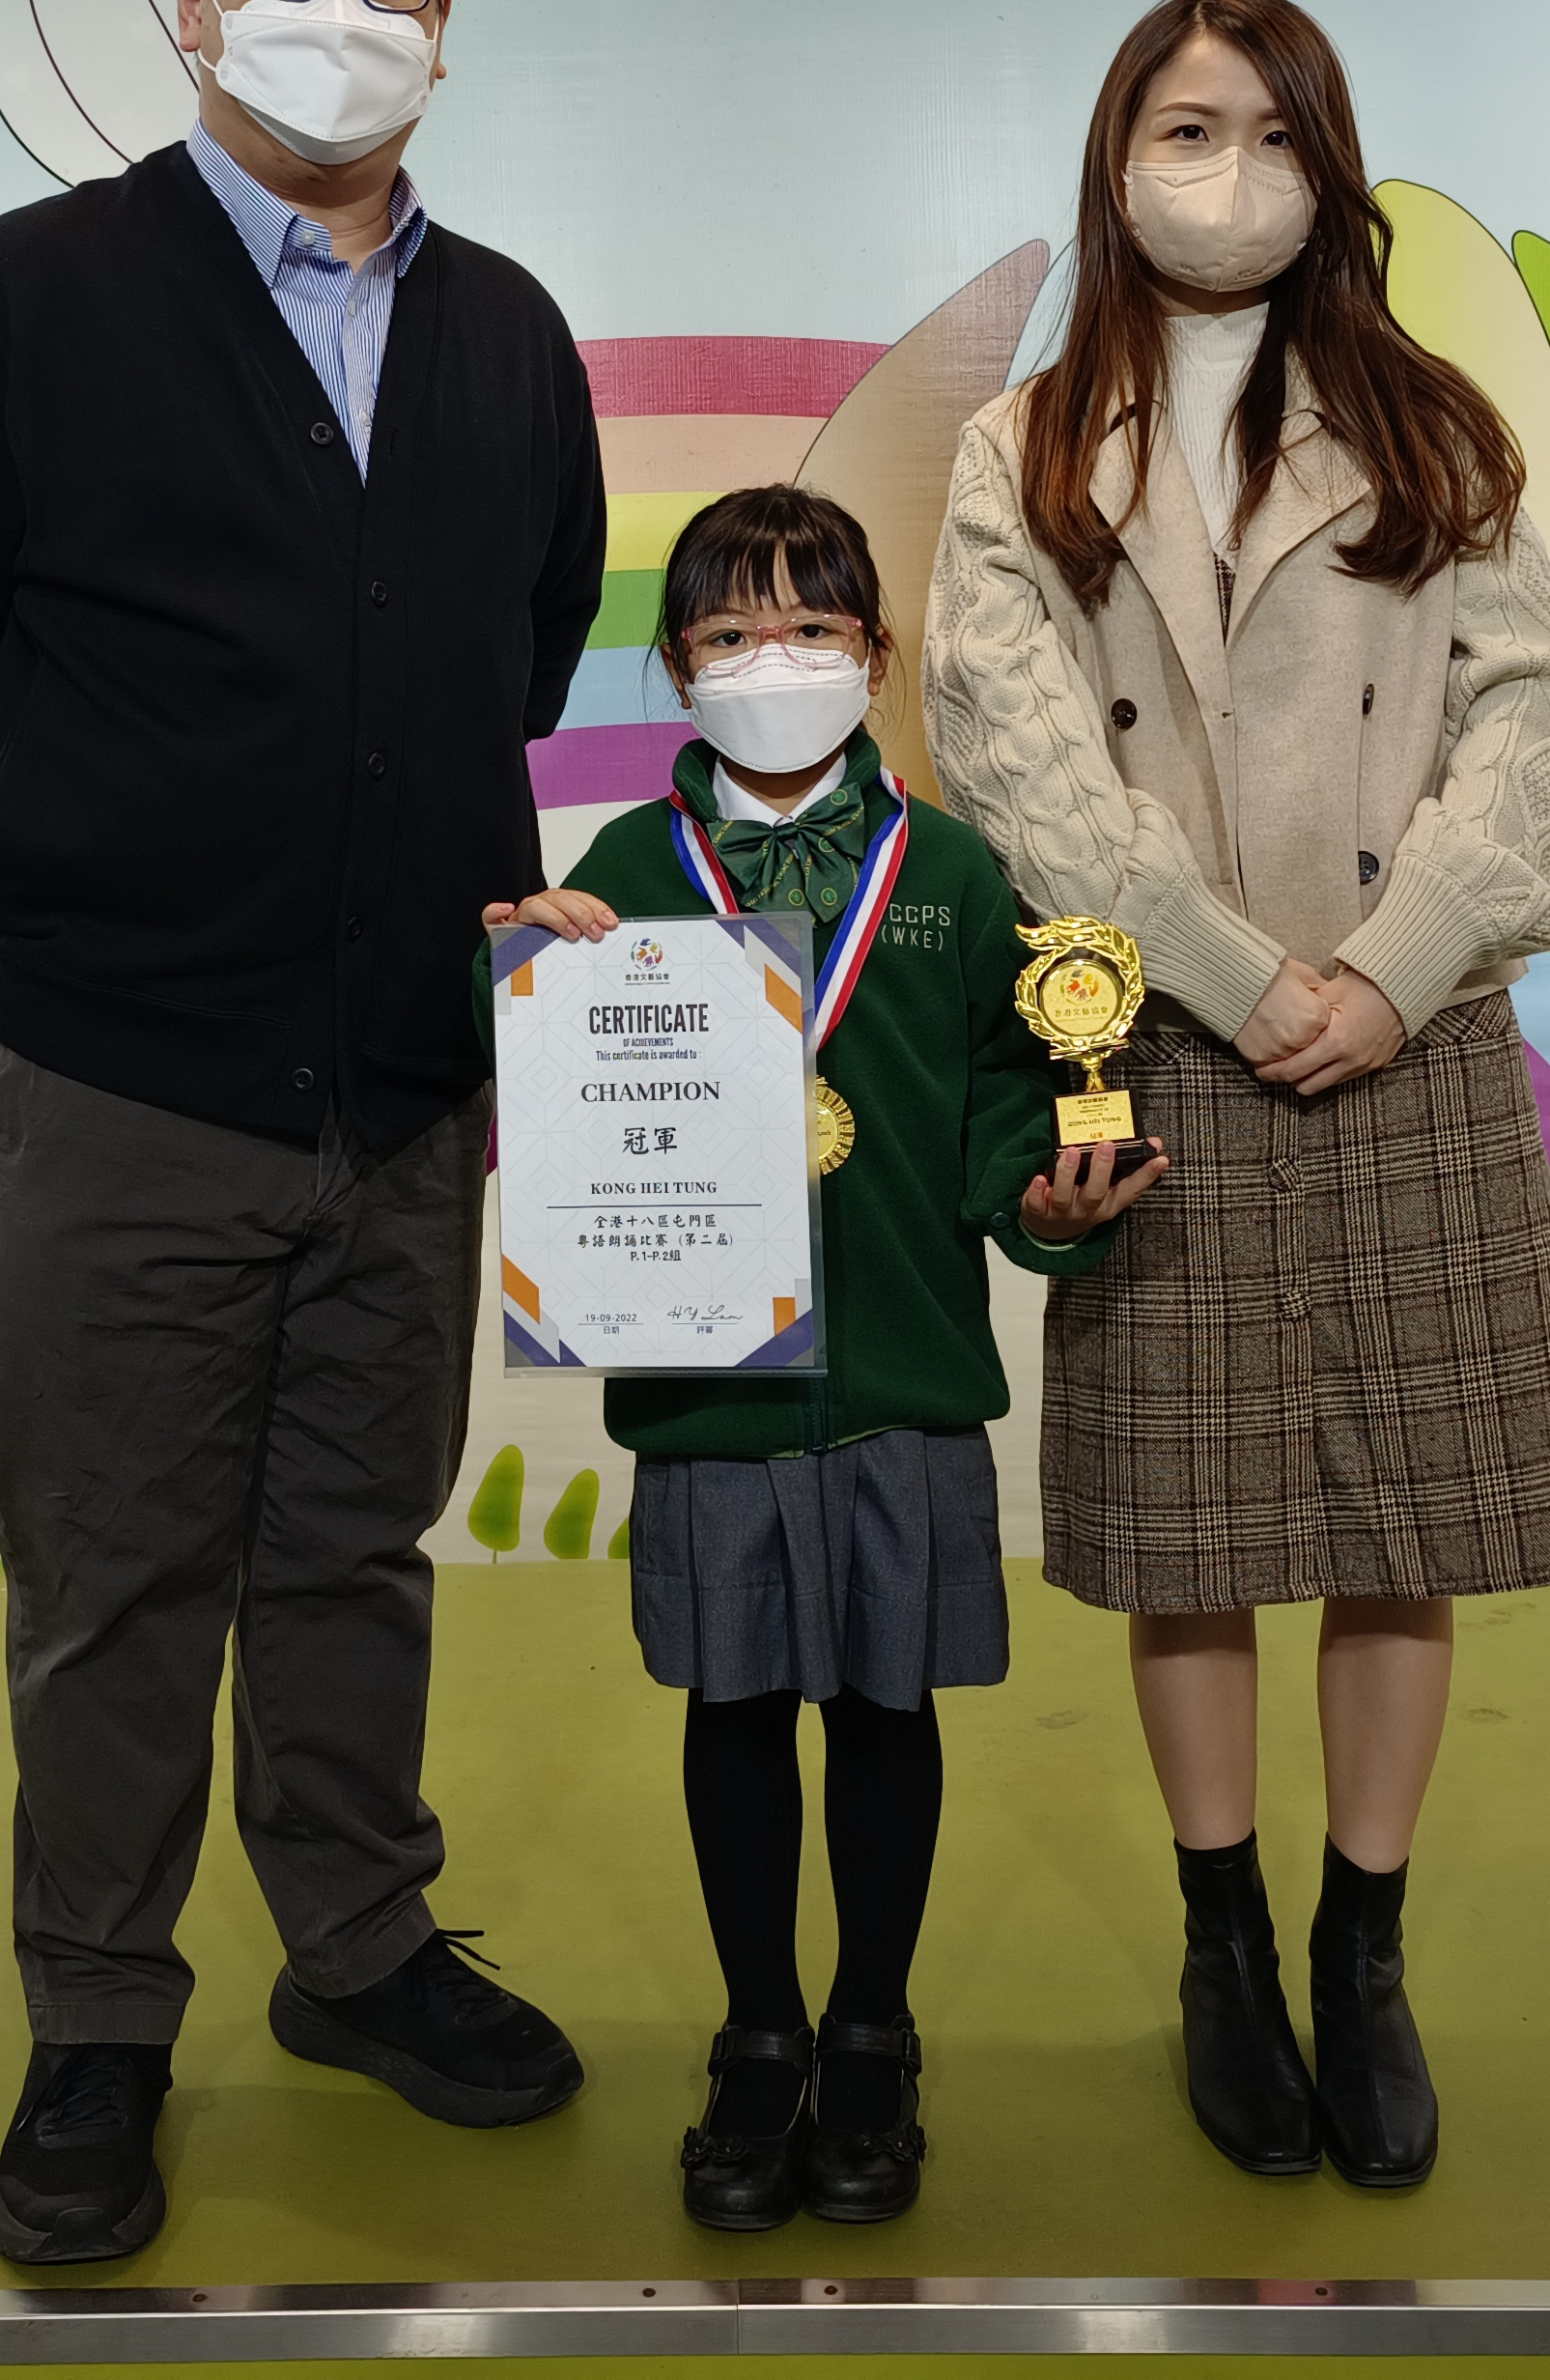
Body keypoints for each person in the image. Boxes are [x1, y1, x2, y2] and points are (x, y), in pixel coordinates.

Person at [0, 0, 608, 2268]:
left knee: (355, 1544)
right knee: (117, 1572)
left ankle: (357, 1944)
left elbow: (521, 641)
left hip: (408, 1073)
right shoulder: (18, 302)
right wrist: (79, 849)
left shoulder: (507, 334)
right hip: (119, 1069)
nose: (335, 8)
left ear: (446, 20)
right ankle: (97, 2019)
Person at [921, 0, 1550, 2193]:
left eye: (1273, 132)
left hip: (1416, 1031)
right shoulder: (1022, 446)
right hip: (1159, 1033)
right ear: (1117, 157)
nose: (1228, 172)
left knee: (1407, 1520)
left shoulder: (1433, 424)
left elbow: (1530, 715)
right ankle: (1220, 1939)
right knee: (1192, 1526)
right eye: (1184, 127)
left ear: (1331, 165)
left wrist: (1395, 967)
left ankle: (1359, 1942)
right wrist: (1232, 976)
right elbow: (1019, 756)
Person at [486, 484, 1163, 2230]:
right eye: (729, 633)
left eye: (808, 628)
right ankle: (759, 2031)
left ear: (875, 654)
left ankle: (872, 2025)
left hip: (905, 1371)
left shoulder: (954, 872)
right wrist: (525, 988)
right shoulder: (622, 875)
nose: (768, 660)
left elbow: (1008, 1095)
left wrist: (1045, 1200)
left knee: (884, 1706)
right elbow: (565, 1114)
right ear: (675, 666)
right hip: (711, 1387)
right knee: (731, 1708)